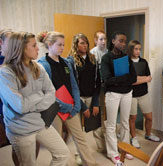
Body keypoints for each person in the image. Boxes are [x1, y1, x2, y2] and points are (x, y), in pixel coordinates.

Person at [0, 31, 70, 165]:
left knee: (63, 154)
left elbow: (51, 92)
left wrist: (32, 102)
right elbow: (20, 106)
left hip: (39, 123)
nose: (38, 48)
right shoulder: (5, 73)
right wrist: (40, 96)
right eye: (33, 45)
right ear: (21, 48)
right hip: (20, 130)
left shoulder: (38, 67)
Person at [37, 31, 98, 166]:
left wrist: (76, 104)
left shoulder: (66, 62)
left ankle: (90, 163)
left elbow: (74, 85)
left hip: (71, 106)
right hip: (54, 109)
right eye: (59, 45)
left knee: (80, 138)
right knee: (58, 142)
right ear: (49, 44)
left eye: (63, 45)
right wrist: (64, 106)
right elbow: (46, 93)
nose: (62, 48)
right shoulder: (42, 64)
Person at [0, 29, 41, 166]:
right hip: (10, 109)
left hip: (30, 107)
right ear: (2, 43)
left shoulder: (26, 63)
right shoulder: (4, 67)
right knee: (18, 145)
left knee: (34, 143)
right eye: (12, 41)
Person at [67, 33, 105, 163]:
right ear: (75, 44)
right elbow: (71, 85)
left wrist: (95, 103)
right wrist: (83, 107)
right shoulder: (70, 60)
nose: (85, 45)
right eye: (81, 43)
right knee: (79, 129)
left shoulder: (93, 58)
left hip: (91, 96)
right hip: (77, 99)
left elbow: (97, 82)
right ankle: (79, 154)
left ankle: (102, 147)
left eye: (86, 43)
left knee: (96, 124)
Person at [101, 31, 137, 165]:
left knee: (125, 122)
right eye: (120, 41)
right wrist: (124, 78)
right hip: (113, 94)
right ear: (113, 41)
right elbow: (107, 80)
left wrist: (120, 79)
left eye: (125, 41)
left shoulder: (126, 58)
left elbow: (133, 77)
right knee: (111, 125)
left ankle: (125, 149)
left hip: (127, 93)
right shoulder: (106, 58)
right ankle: (113, 153)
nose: (123, 44)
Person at [127, 40, 160, 149]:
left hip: (143, 94)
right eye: (136, 49)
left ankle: (148, 134)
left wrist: (138, 79)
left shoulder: (144, 62)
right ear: (131, 49)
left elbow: (149, 78)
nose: (138, 51)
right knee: (133, 118)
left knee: (149, 117)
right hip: (131, 94)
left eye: (139, 49)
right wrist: (143, 79)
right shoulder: (127, 62)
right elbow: (130, 81)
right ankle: (133, 137)